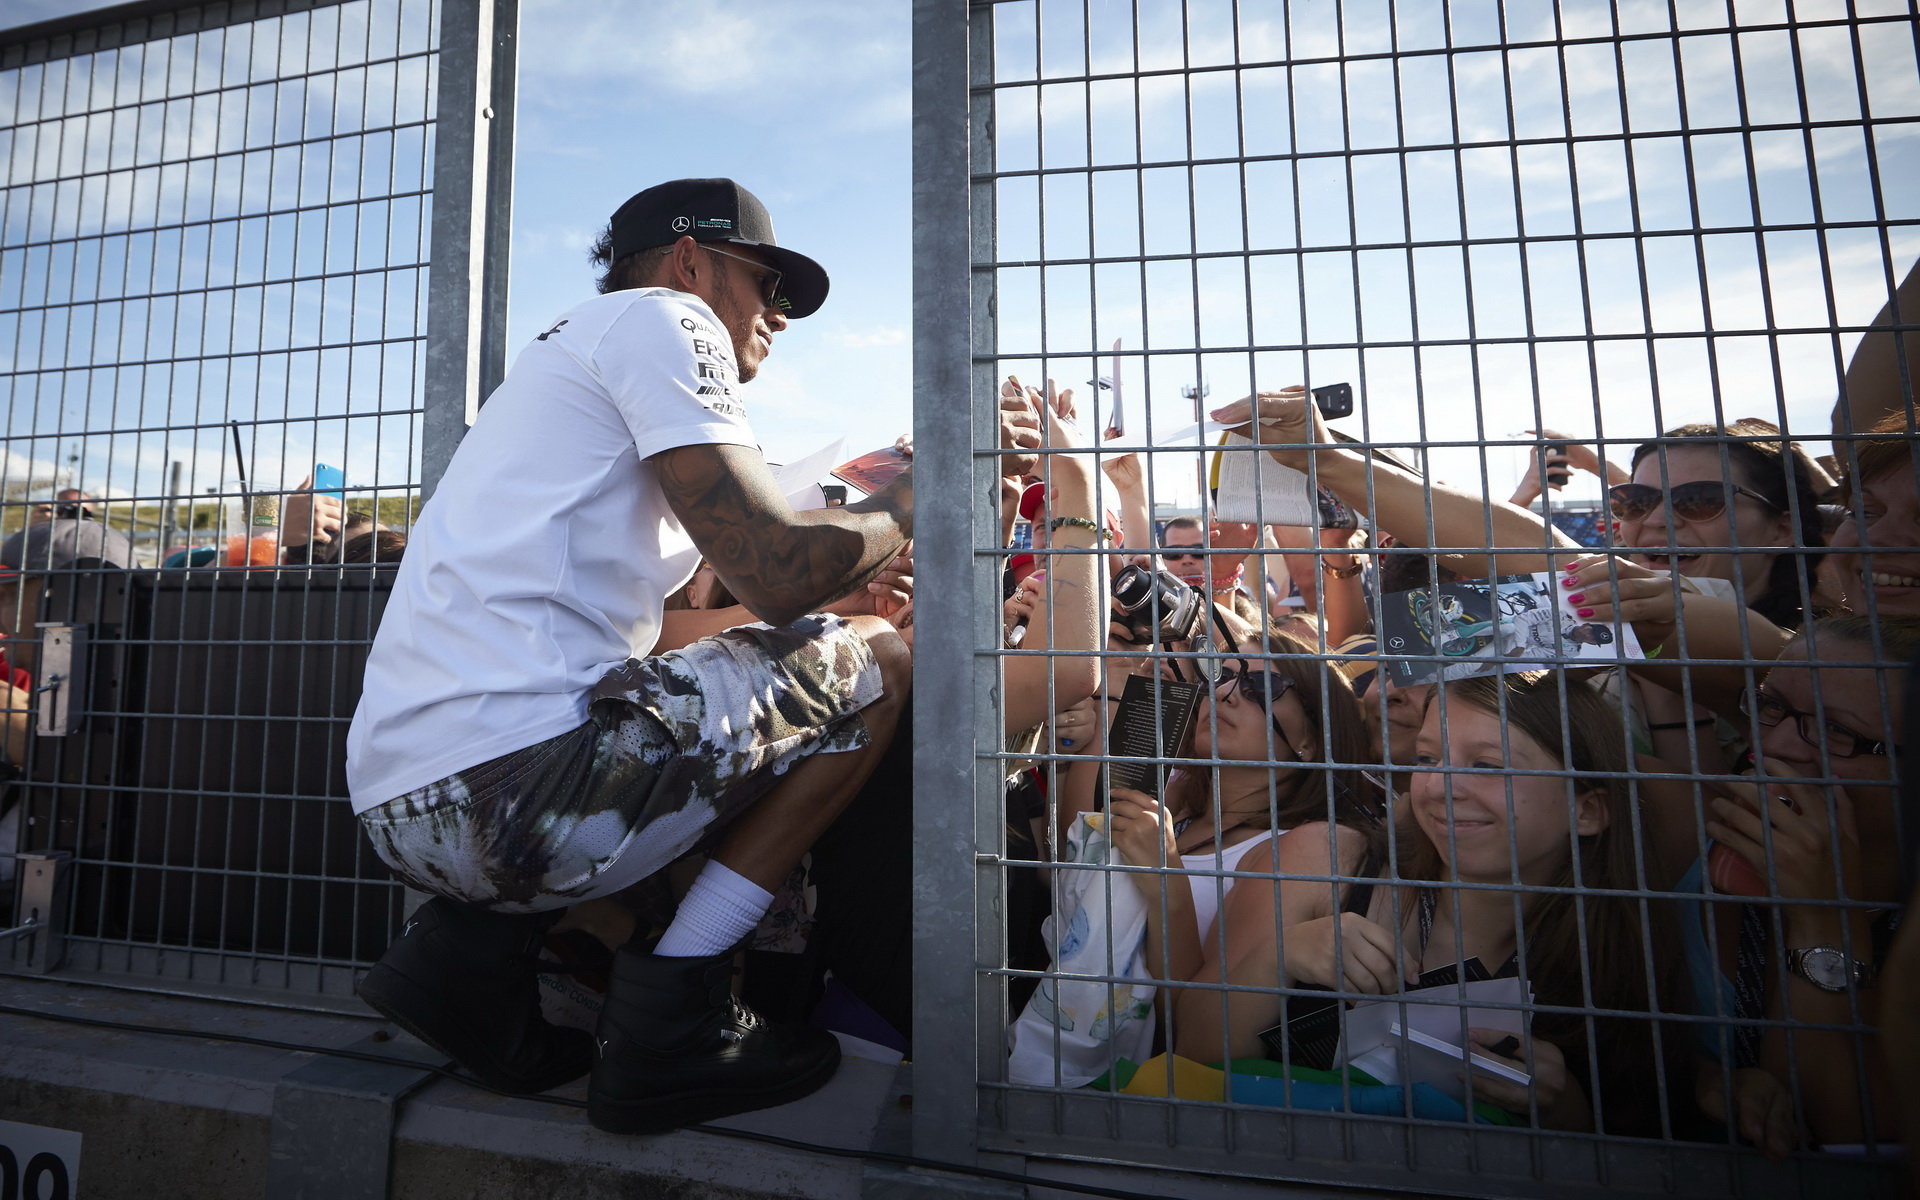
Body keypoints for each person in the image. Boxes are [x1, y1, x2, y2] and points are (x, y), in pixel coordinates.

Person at [345, 179, 1002, 1135]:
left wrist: (835, 574)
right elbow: (776, 569)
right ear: (692, 259)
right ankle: (677, 1012)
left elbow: (689, 631)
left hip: (403, 808)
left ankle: (459, 966)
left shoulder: (569, 367)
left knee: (752, 669)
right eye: (767, 281)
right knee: (885, 662)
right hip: (518, 793)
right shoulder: (662, 318)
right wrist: (919, 495)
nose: (779, 315)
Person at [1195, 672, 1689, 1134]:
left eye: (1487, 766)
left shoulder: (1619, 947)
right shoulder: (1324, 863)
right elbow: (1187, 1056)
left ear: (1587, 809)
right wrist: (1277, 959)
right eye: (1428, 759)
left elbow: (1640, 1134)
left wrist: (1561, 1107)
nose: (1443, 787)